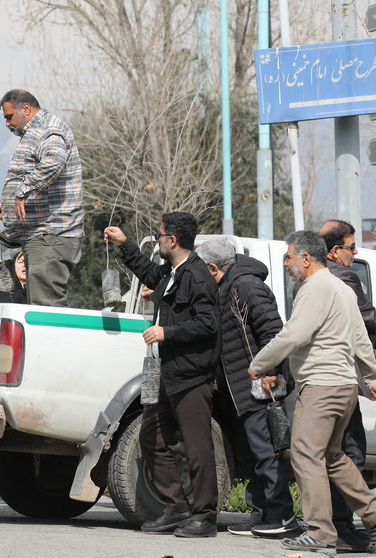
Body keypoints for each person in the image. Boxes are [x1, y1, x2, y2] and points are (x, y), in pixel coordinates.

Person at [249, 231, 376, 556]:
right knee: (332, 456)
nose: (286, 264)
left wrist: (259, 364)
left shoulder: (314, 288)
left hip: (320, 386)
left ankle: (319, 533)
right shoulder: (342, 288)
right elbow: (361, 339)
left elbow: (294, 335)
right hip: (344, 387)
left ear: (305, 258)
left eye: (289, 257)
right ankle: (375, 516)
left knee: (305, 455)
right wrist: (372, 380)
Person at [104, 213, 221, 538]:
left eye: (159, 236)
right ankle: (176, 508)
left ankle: (205, 517)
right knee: (151, 438)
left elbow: (208, 324)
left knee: (197, 448)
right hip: (160, 373)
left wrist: (166, 333)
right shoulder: (171, 273)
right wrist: (124, 244)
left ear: (173, 240)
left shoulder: (197, 276)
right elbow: (147, 271)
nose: (157, 241)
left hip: (189, 377)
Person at [195, 237, 297, 539]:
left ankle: (282, 517)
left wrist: (270, 372)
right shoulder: (225, 286)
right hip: (240, 391)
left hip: (259, 388)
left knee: (267, 454)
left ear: (213, 268)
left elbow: (273, 332)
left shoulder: (247, 286)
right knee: (254, 456)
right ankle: (261, 516)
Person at [317, 219, 376, 542]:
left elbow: (350, 329)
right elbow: (367, 320)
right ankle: (341, 526)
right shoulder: (344, 277)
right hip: (341, 379)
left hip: (323, 378)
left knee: (331, 453)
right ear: (334, 250)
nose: (355, 253)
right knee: (348, 453)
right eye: (352, 247)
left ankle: (335, 525)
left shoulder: (318, 278)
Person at [0, 89, 84, 307]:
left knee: (46, 305)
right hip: (43, 235)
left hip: (51, 233)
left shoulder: (48, 129)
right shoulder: (39, 131)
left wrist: (22, 191)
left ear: (25, 109)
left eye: (9, 117)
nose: (7, 124)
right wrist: (8, 204)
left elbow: (54, 161)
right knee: (41, 303)